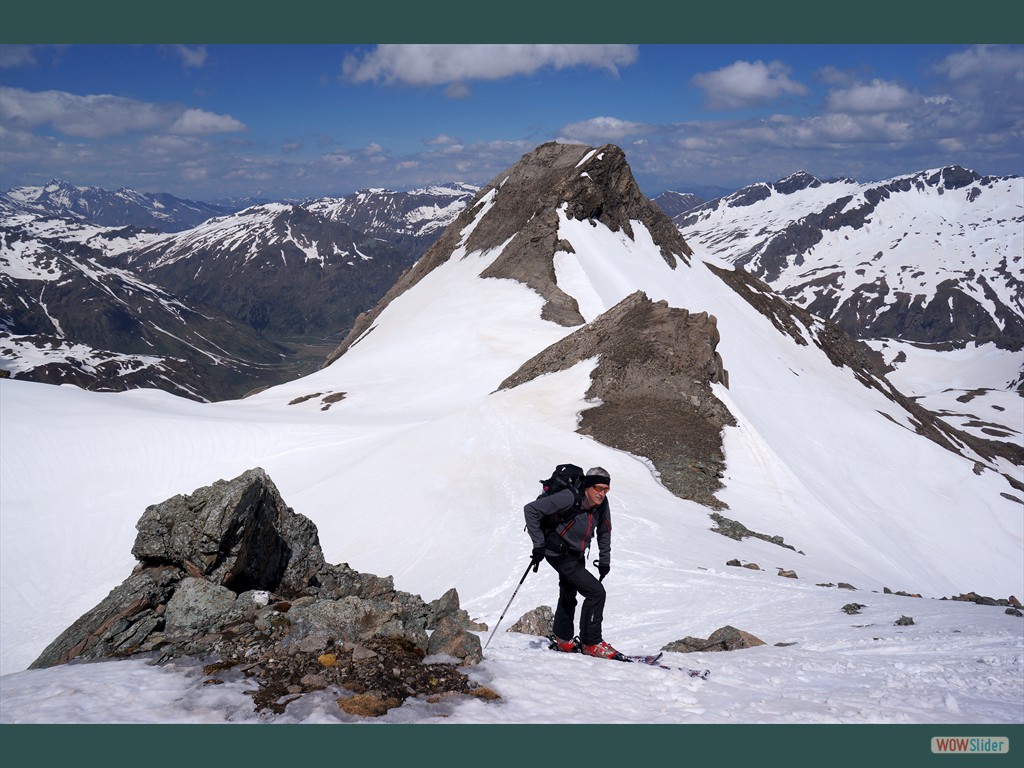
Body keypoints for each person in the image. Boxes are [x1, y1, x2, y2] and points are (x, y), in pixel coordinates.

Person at [523, 466, 617, 658]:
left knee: (568, 593)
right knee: (596, 592)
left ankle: (563, 640)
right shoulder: (569, 497)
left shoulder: (602, 504)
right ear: (588, 486)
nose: (602, 494)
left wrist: (605, 560)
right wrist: (538, 544)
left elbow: (604, 531)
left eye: (605, 490)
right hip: (557, 551)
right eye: (598, 489)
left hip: (576, 554)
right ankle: (591, 643)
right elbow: (531, 510)